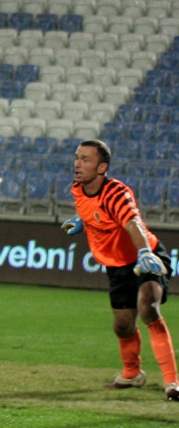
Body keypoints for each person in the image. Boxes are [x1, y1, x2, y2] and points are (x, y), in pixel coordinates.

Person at [61, 139, 179, 401]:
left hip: (145, 257)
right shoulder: (78, 190)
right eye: (77, 158)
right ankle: (132, 373)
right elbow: (96, 211)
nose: (77, 164)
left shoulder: (117, 193)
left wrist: (145, 252)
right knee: (123, 325)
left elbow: (133, 223)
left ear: (102, 167)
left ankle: (172, 383)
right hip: (116, 266)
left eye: (85, 159)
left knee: (148, 307)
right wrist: (83, 222)